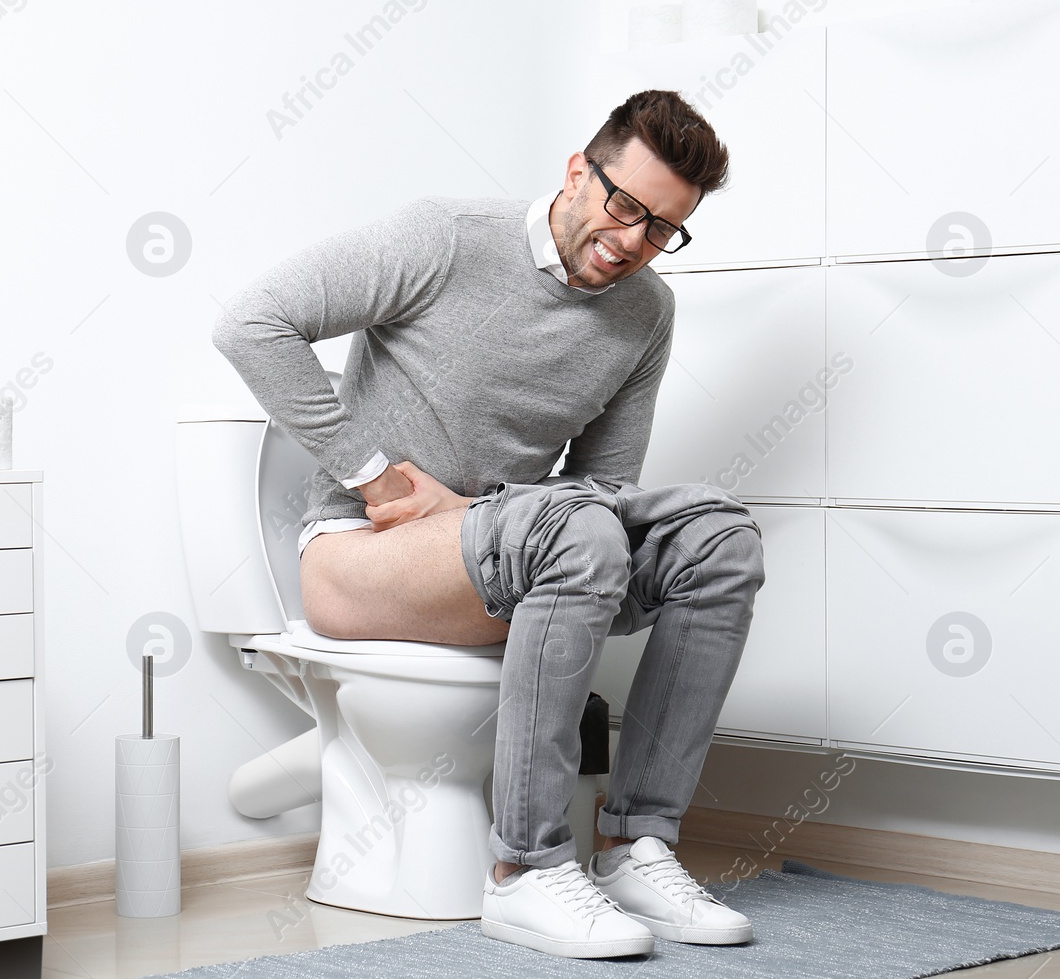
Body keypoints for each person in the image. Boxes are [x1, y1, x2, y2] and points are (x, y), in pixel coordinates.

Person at [213, 88, 765, 959]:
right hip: (359, 558)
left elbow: (603, 489)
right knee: (579, 530)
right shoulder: (447, 236)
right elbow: (251, 323)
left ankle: (634, 845)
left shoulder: (646, 313)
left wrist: (484, 514)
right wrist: (373, 474)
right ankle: (528, 868)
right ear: (580, 170)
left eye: (664, 228)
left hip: (513, 550)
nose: (632, 242)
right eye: (624, 205)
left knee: (719, 539)